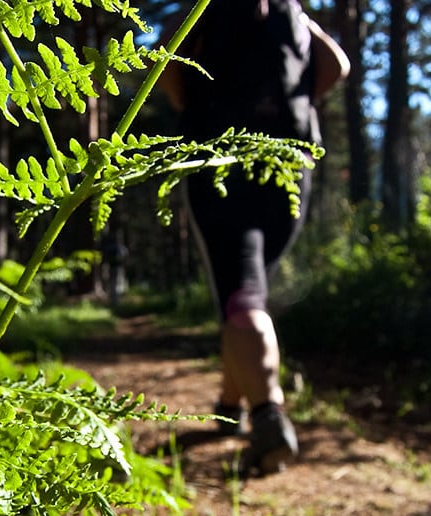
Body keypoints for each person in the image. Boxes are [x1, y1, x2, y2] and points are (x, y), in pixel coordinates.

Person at [157, 0, 350, 478]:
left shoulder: (204, 10)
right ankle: (230, 404)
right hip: (288, 165)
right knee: (246, 290)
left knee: (242, 298)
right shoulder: (289, 12)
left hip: (217, 165)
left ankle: (269, 417)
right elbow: (337, 67)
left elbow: (171, 79)